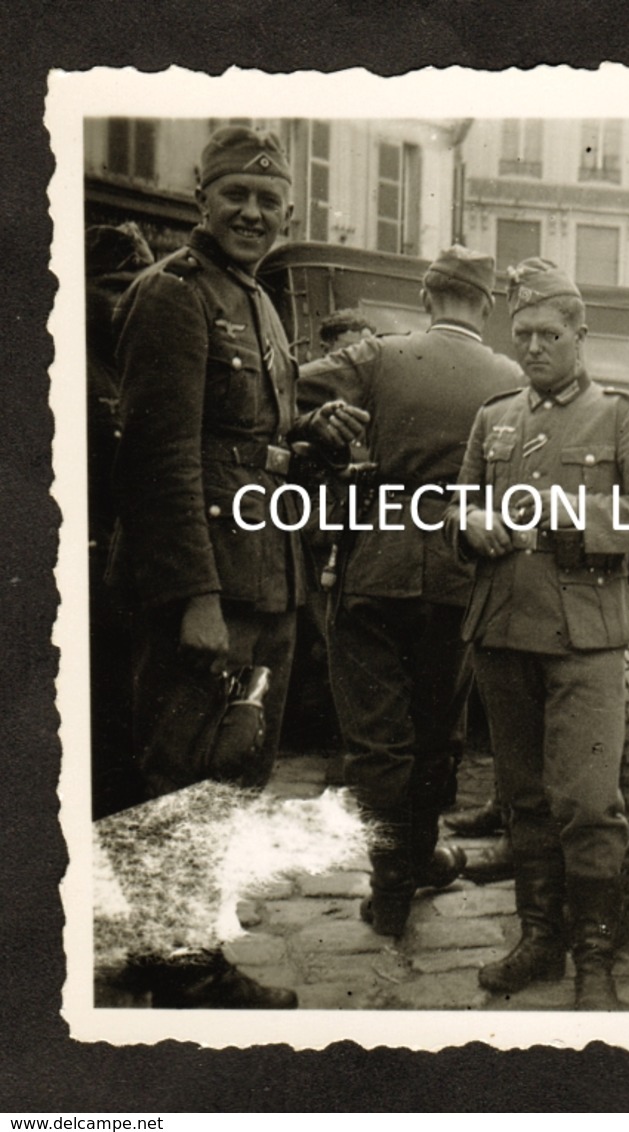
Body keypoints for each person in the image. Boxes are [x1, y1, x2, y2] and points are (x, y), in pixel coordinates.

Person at [109, 126, 367, 1008]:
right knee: (183, 774)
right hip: (212, 586)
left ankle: (173, 944)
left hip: (268, 575)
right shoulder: (172, 297)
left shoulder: (255, 303)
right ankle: (182, 973)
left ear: (287, 211)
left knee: (235, 770)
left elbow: (249, 440)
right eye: (236, 197)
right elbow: (161, 458)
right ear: (201, 202)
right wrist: (194, 598)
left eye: (268, 201)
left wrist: (308, 436)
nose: (253, 212)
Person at [453, 258, 629, 1010]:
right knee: (523, 799)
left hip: (586, 637)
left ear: (580, 334)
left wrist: (581, 524)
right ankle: (538, 940)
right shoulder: (494, 418)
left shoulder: (625, 418)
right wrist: (474, 523)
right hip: (503, 628)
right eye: (521, 334)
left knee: (589, 801)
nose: (532, 347)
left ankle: (595, 955)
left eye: (548, 333)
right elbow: (458, 505)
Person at [296, 246, 524, 936]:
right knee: (436, 732)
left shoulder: (379, 356)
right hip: (463, 571)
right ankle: (419, 858)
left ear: (427, 297)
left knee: (375, 736)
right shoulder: (512, 374)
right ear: (485, 306)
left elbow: (289, 387)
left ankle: (390, 879)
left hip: (378, 565)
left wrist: (320, 430)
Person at [86, 223, 155, 820]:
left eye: (135, 287)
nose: (122, 303)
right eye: (111, 288)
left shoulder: (132, 368)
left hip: (132, 578)